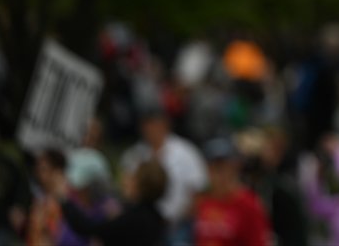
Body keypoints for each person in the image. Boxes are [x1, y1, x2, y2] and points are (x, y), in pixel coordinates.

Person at [120, 105, 207, 245]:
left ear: (165, 124)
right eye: (148, 124)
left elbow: (198, 191)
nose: (152, 129)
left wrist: (183, 218)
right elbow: (127, 188)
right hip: (143, 225)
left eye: (155, 123)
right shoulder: (134, 155)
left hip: (178, 225)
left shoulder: (186, 152)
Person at [56, 159, 168, 246]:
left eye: (133, 178)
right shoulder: (155, 216)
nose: (126, 180)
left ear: (141, 186)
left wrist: (64, 199)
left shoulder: (136, 217)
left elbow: (87, 228)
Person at [191, 137, 270, 246]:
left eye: (224, 167)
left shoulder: (248, 204)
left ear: (235, 168)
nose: (220, 174)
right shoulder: (202, 200)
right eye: (214, 168)